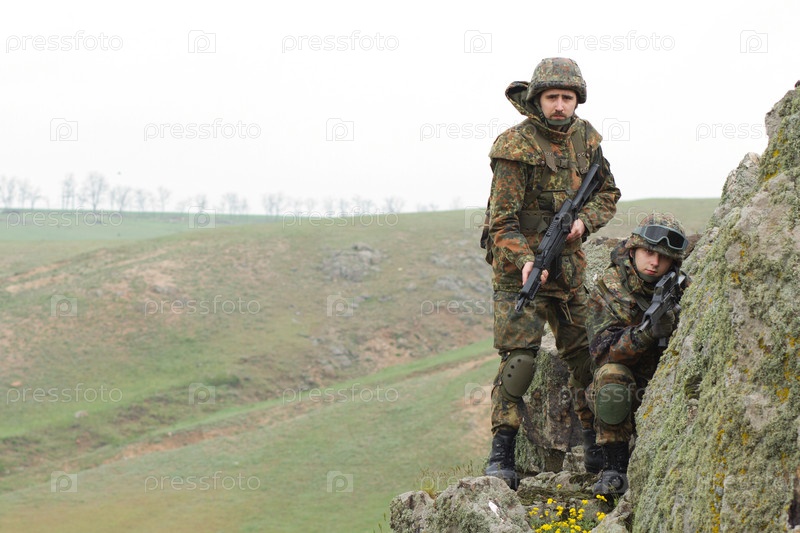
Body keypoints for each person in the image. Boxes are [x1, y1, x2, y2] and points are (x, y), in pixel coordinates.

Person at [483, 57, 621, 489]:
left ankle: (598, 447)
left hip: (570, 270)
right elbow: (500, 222)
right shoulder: (515, 147)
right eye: (551, 97)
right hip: (520, 271)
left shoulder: (587, 140)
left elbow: (608, 193)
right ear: (537, 99)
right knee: (520, 361)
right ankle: (502, 453)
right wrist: (526, 260)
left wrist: (584, 222)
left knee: (589, 357)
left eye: (567, 97)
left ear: (577, 100)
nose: (559, 105)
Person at [585, 213, 690, 496]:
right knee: (611, 379)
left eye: (663, 257)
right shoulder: (609, 288)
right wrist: (647, 333)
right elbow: (603, 354)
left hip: (668, 383)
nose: (655, 262)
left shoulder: (681, 286)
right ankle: (614, 468)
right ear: (633, 250)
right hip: (628, 385)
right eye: (649, 253)